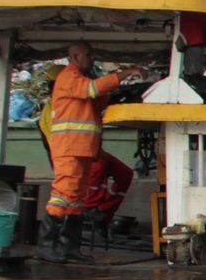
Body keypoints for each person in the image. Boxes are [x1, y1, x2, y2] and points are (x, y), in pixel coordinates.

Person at [41, 42, 143, 261]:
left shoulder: (78, 80)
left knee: (77, 198)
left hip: (82, 148)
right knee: (64, 194)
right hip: (70, 147)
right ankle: (48, 246)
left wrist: (116, 89)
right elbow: (92, 90)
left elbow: (96, 98)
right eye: (88, 55)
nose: (92, 59)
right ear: (76, 57)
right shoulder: (69, 77)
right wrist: (123, 75)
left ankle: (70, 247)